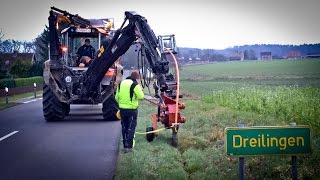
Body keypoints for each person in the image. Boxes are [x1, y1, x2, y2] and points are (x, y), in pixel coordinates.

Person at [116, 71, 144, 153]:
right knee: (131, 128)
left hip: (122, 110)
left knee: (124, 127)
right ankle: (129, 147)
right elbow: (141, 96)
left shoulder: (121, 84)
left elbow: (117, 97)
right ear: (136, 78)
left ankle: (125, 146)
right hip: (132, 110)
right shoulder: (134, 84)